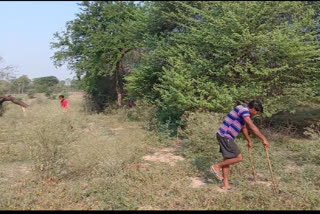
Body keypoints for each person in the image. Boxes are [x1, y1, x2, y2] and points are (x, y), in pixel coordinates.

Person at [211, 100, 269, 190]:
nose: (255, 114)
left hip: (224, 135)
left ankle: (225, 185)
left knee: (227, 159)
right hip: (225, 135)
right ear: (253, 109)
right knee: (239, 157)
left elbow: (244, 127)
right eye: (256, 112)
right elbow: (252, 127)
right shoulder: (244, 110)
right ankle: (216, 166)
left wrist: (249, 140)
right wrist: (264, 139)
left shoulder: (242, 109)